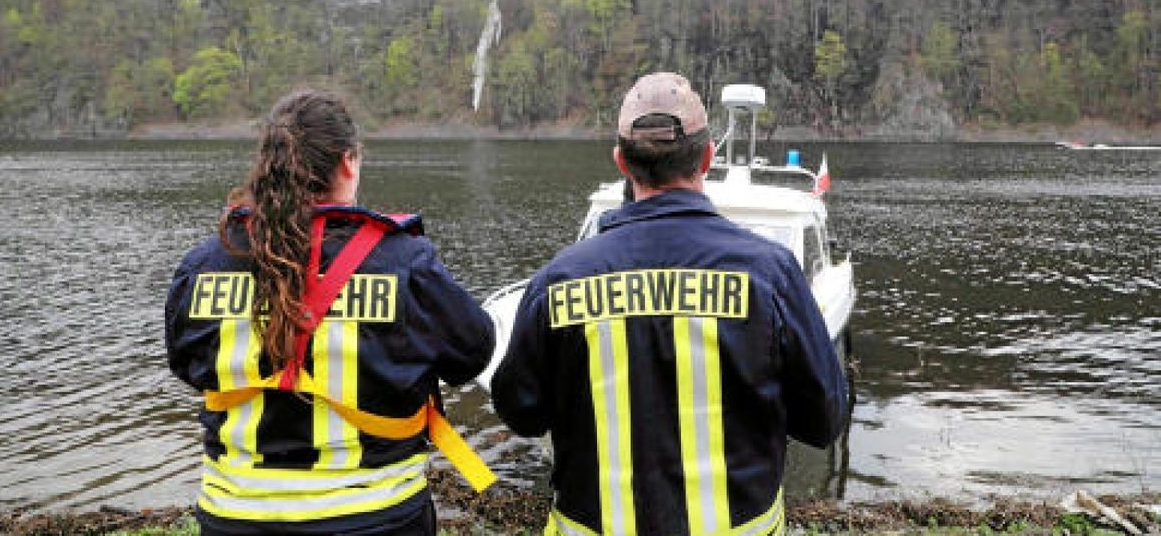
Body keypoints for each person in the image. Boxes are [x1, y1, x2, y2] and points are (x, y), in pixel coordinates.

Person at [491, 72, 848, 535]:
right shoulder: (771, 275)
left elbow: (520, 412)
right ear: (706, 156)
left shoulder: (558, 281)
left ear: (622, 162)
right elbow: (823, 422)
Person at [165, 90, 495, 535]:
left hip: (235, 517)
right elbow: (473, 354)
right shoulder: (404, 262)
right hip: (377, 516)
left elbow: (187, 364)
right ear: (347, 162)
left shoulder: (204, 264)